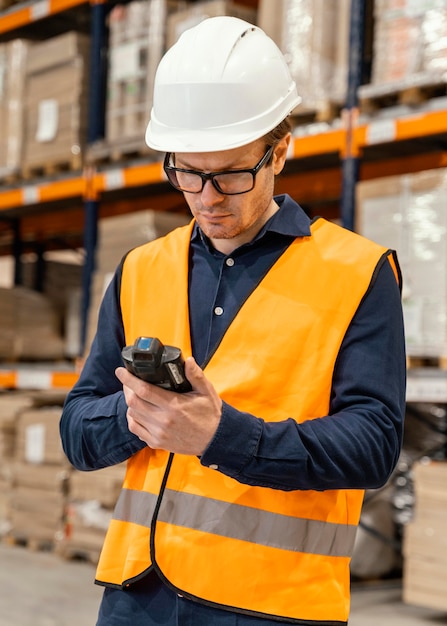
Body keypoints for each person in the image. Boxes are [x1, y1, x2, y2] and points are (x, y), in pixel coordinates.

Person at [60, 15, 406, 626]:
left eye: (231, 174)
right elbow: (79, 433)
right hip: (136, 595)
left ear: (282, 149)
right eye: (187, 173)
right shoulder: (141, 268)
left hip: (270, 604)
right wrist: (141, 413)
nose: (208, 197)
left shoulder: (357, 271)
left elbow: (372, 446)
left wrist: (220, 438)